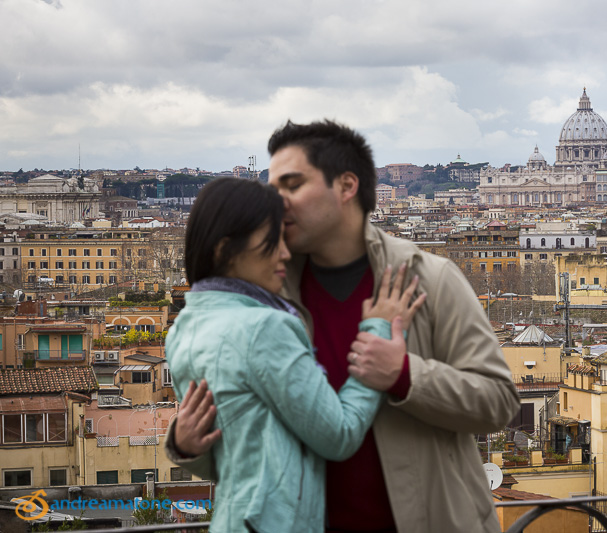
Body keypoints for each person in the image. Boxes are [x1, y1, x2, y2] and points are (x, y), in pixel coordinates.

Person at [166, 120, 520, 533]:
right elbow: (254, 451)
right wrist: (186, 445)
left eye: (292, 185)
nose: (276, 202)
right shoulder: (264, 289)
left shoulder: (429, 278)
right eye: (272, 188)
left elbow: (499, 401)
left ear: (347, 186)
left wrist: (405, 376)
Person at [166, 177, 423, 532]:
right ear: (226, 250)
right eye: (273, 243)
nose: (285, 253)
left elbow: (238, 460)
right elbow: (340, 435)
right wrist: (378, 334)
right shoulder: (266, 328)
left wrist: (183, 446)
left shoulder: (183, 329)